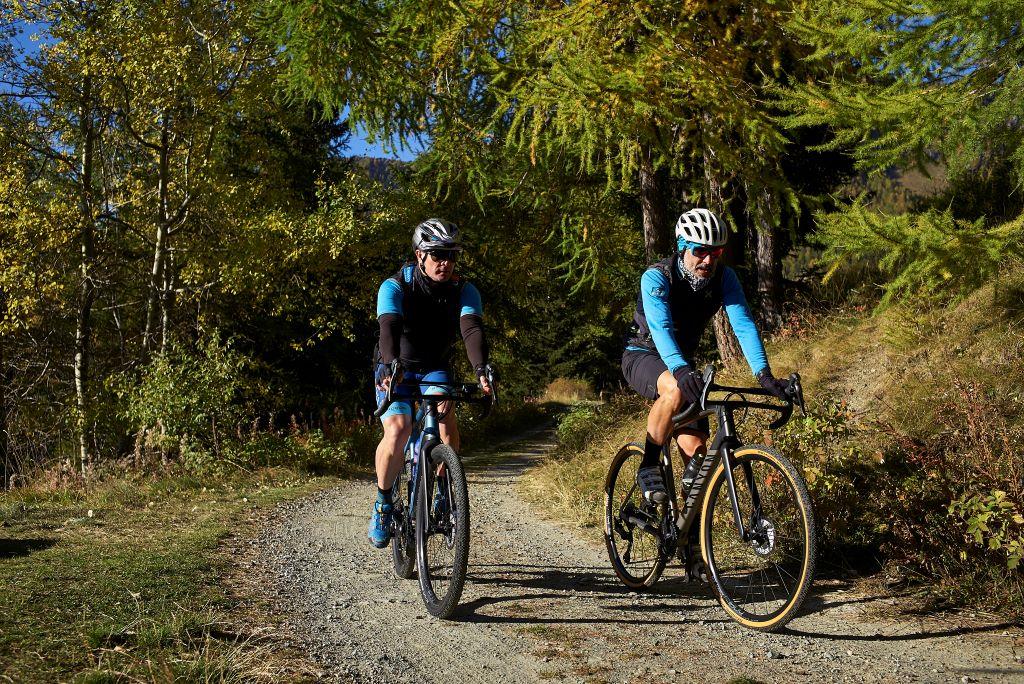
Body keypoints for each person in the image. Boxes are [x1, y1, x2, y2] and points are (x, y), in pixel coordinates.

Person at [622, 207, 792, 507]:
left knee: (699, 463)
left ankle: (691, 545)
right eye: (700, 251)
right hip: (643, 354)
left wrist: (763, 375)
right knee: (674, 390)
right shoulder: (657, 277)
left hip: (681, 364)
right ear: (682, 247)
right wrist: (681, 370)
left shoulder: (724, 278)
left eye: (716, 252)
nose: (709, 260)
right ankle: (648, 465)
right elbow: (660, 329)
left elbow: (743, 325)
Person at [368, 218, 494, 548]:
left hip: (434, 366)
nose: (445, 262)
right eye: (437, 254)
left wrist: (481, 370)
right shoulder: (395, 286)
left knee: (445, 418)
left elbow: (471, 330)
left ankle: (441, 491)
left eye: (451, 255)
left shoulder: (464, 290)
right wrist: (389, 369)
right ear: (419, 255)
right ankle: (383, 502)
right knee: (398, 427)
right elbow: (388, 329)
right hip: (395, 365)